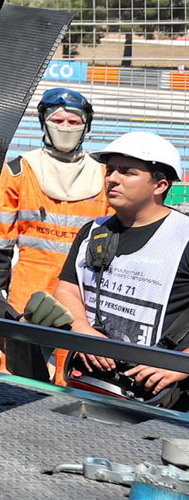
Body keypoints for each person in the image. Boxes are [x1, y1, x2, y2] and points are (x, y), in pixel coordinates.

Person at [53, 131, 189, 408]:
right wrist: (80, 326)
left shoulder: (184, 236)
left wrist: (182, 364)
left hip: (162, 397)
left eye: (127, 172)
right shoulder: (92, 232)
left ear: (160, 185)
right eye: (110, 170)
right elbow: (67, 288)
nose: (112, 178)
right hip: (90, 381)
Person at [0, 88, 109, 317]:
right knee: (19, 350)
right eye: (58, 120)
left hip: (82, 287)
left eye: (73, 121)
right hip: (30, 283)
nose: (65, 127)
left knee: (74, 352)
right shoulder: (18, 171)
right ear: (44, 122)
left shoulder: (104, 175)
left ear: (86, 126)